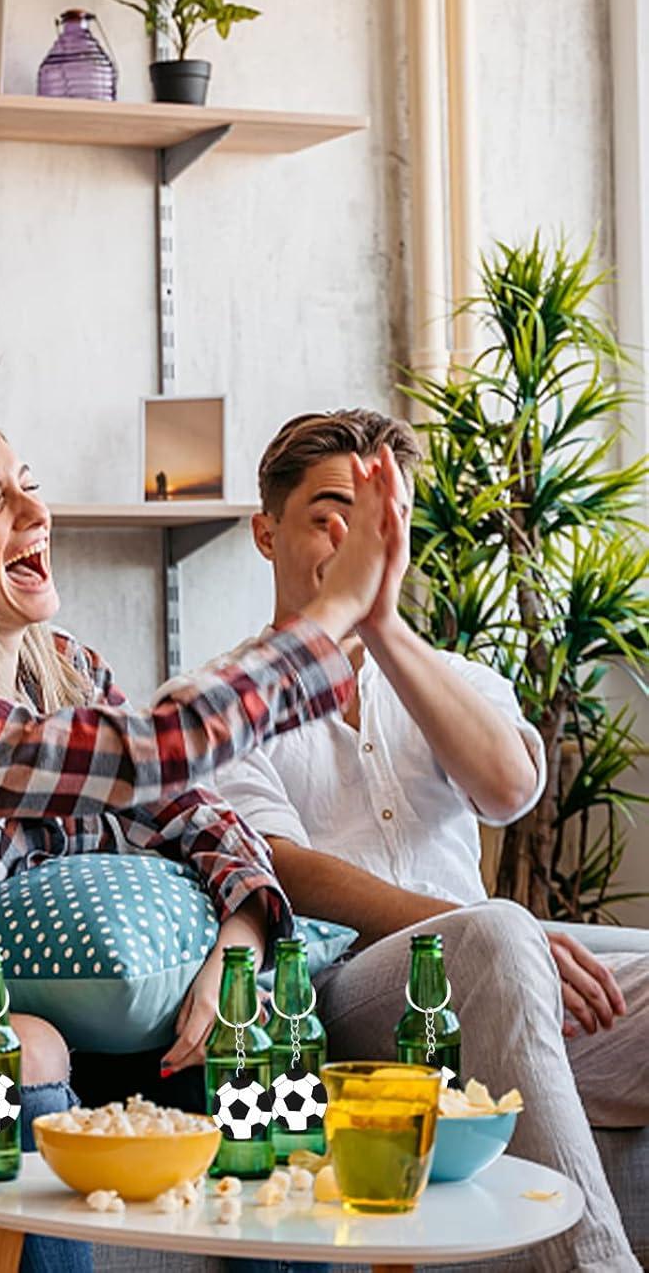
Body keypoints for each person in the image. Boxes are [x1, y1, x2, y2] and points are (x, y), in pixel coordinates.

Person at [0, 415, 398, 1270]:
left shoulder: (71, 671)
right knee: (24, 1041)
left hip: (126, 1041)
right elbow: (146, 758)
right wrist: (333, 615)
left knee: (251, 1048)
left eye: (30, 485)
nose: (33, 511)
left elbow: (203, 816)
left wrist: (238, 947)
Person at [205, 407, 649, 1273]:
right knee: (495, 930)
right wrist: (495, 939)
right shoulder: (220, 697)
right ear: (267, 532)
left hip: (506, 968)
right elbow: (291, 872)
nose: (357, 533)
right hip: (348, 995)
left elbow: (511, 790)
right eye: (330, 511)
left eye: (381, 515)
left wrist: (381, 628)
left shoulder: (459, 678)